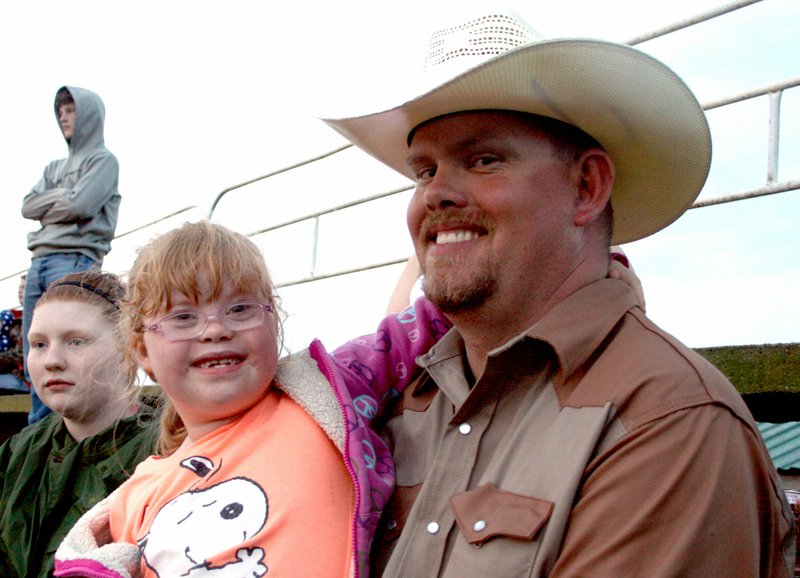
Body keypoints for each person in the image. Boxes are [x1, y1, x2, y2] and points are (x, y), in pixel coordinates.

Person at [322, 10, 796, 576]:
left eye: (484, 159)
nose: (436, 194)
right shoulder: (413, 393)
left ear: (586, 187)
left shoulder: (668, 421)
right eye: (423, 171)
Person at [55, 220, 450, 578]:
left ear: (273, 322)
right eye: (182, 317)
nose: (215, 330)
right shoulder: (132, 498)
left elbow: (432, 316)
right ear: (142, 351)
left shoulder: (328, 387)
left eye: (240, 308)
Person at [0, 271, 158, 578]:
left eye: (75, 341)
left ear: (129, 350)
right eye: (39, 344)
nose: (52, 360)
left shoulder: (168, 454)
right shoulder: (16, 456)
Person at [21, 85, 121, 424]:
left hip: (75, 258)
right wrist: (64, 195)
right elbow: (26, 206)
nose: (65, 117)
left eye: (72, 110)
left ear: (88, 115)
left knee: (70, 350)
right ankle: (40, 433)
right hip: (39, 261)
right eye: (60, 111)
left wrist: (58, 201)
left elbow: (82, 204)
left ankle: (71, 430)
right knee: (37, 350)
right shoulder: (53, 168)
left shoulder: (104, 161)